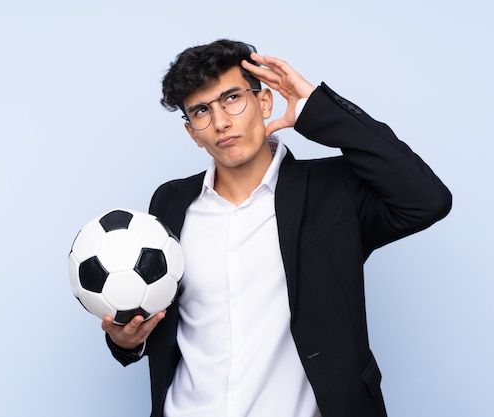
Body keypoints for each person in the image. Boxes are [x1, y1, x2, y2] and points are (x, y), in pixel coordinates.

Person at [101, 39, 452, 417]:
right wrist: (126, 342)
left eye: (232, 98)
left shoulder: (334, 192)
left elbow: (427, 200)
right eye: (201, 110)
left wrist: (319, 108)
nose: (220, 121)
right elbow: (158, 318)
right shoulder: (170, 203)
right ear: (192, 133)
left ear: (264, 101)